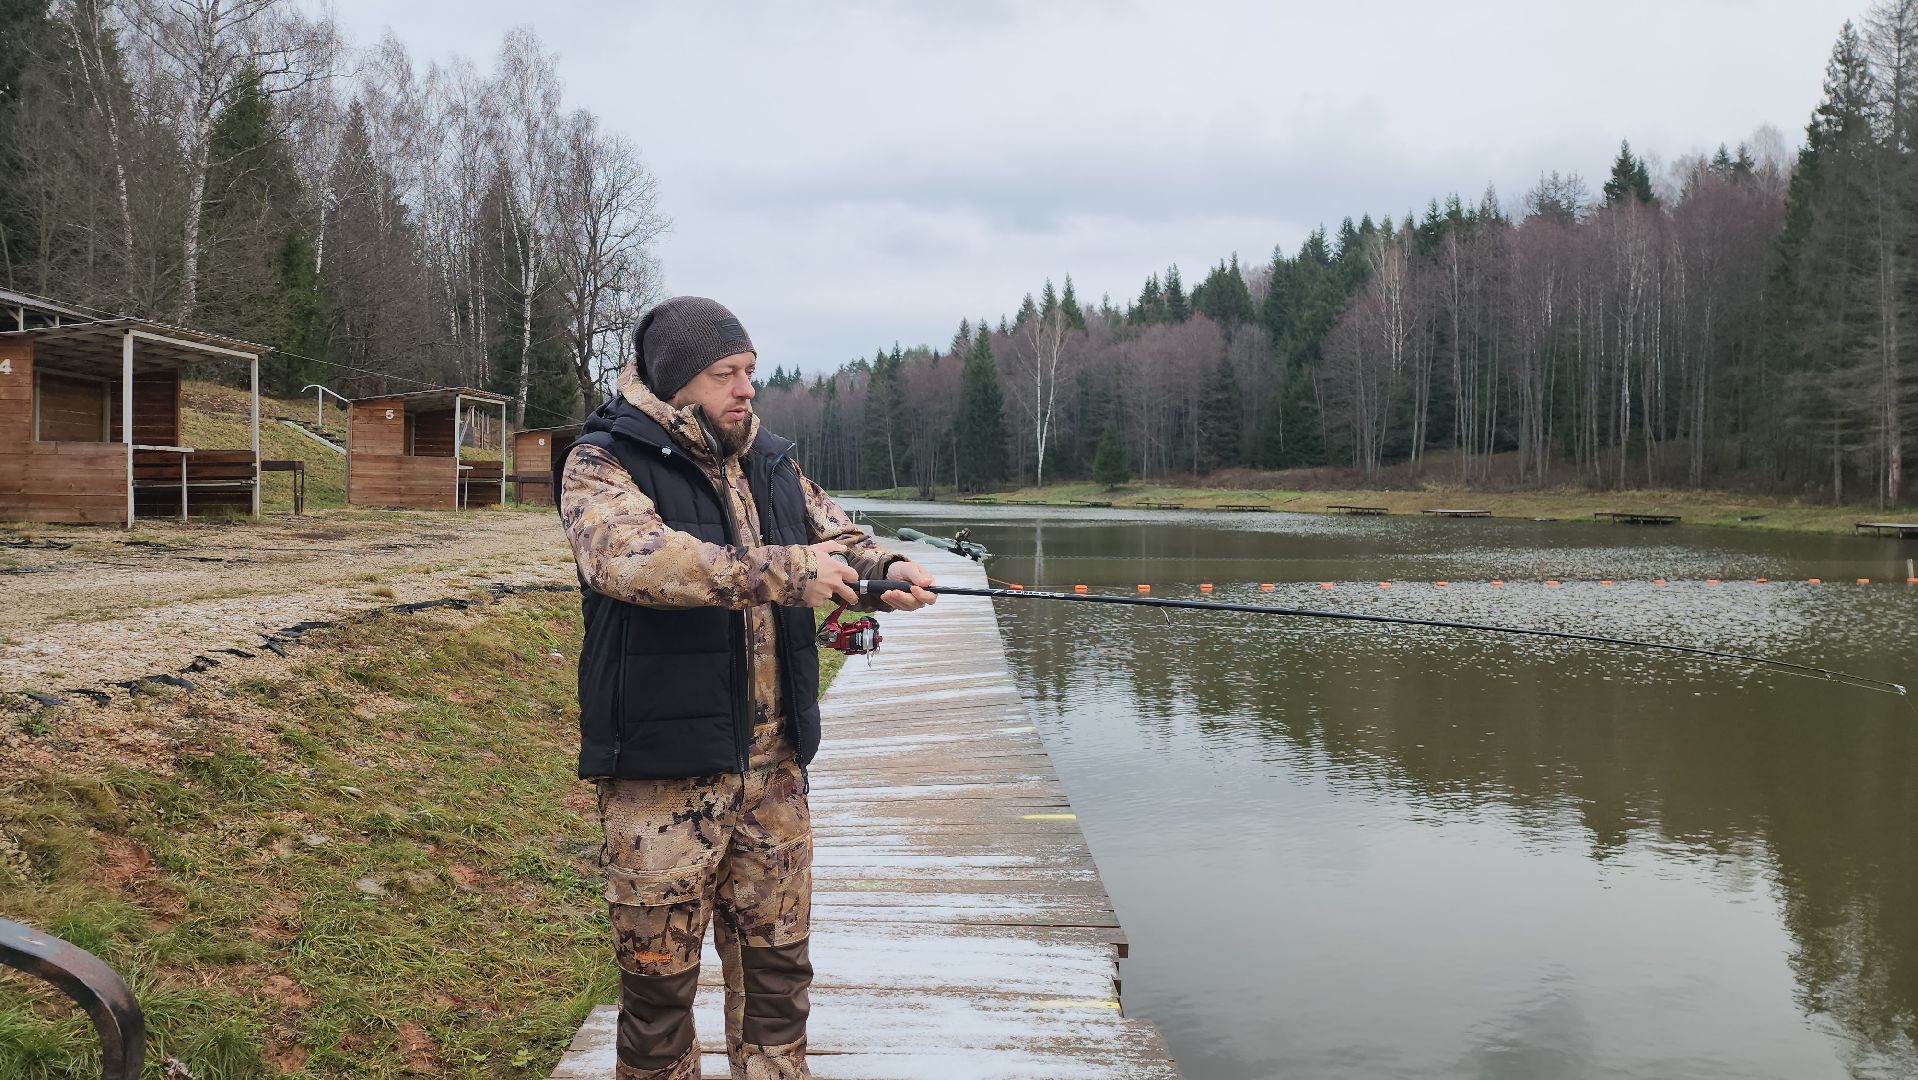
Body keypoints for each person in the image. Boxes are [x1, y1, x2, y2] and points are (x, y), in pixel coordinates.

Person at [555, 296, 936, 1079]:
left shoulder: (770, 459)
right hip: (663, 777)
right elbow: (635, 561)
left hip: (776, 774)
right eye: (725, 374)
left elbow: (839, 536)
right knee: (658, 996)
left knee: (778, 984)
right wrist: (791, 572)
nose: (745, 389)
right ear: (674, 382)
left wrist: (882, 573)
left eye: (750, 373)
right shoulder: (604, 461)